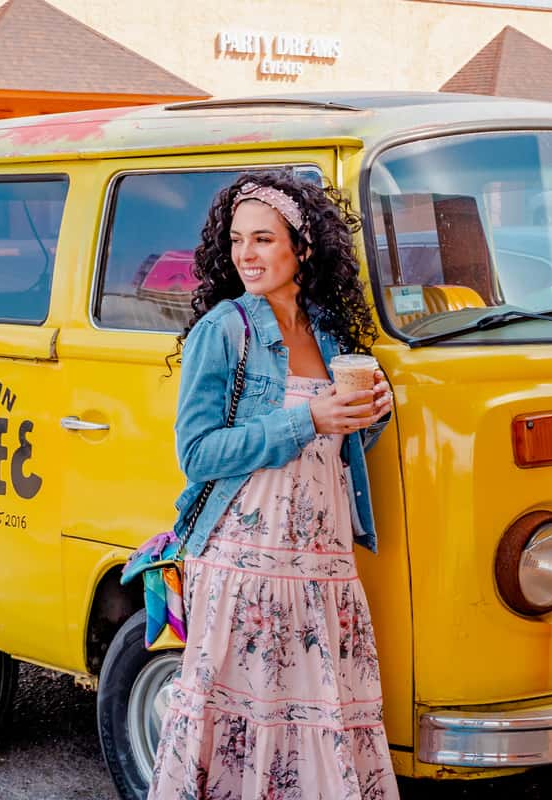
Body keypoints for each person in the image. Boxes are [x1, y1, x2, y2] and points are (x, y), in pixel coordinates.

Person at [148, 171, 400, 799]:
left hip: (323, 566)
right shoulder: (224, 330)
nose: (246, 255)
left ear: (303, 248)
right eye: (238, 240)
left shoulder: (331, 335)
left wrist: (372, 414)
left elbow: (334, 451)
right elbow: (198, 452)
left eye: (263, 239)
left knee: (321, 724)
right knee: (245, 726)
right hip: (244, 565)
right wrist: (304, 418)